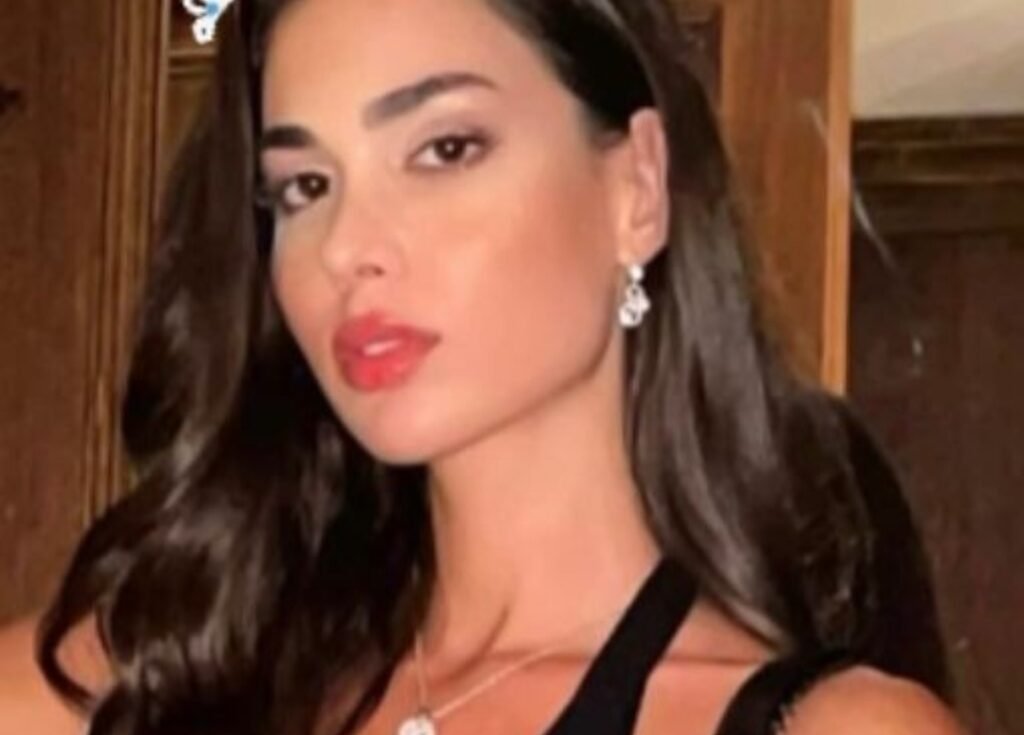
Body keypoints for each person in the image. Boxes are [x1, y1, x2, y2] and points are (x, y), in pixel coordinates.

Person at [0, 0, 969, 733]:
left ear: (636, 186)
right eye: (304, 186)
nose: (347, 247)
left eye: (445, 148)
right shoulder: (176, 668)